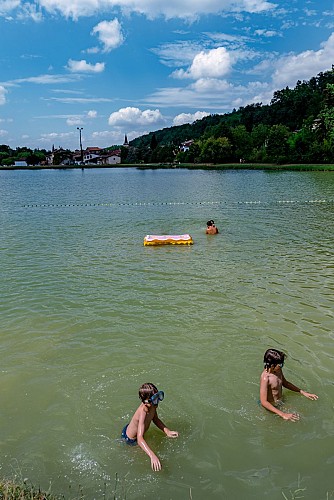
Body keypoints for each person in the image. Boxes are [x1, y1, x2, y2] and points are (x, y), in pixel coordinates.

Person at [121, 383, 178, 471]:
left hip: (134, 431)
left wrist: (167, 431)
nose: (158, 401)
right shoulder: (143, 411)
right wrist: (152, 455)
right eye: (155, 399)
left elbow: (155, 419)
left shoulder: (153, 406)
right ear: (146, 401)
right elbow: (140, 439)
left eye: (159, 396)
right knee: (141, 459)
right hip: (131, 439)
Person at [260, 348, 318, 421]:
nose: (282, 366)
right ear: (272, 365)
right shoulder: (265, 378)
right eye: (280, 365)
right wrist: (282, 414)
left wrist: (302, 392)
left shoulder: (278, 370)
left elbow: (285, 383)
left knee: (301, 417)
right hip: (270, 407)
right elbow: (264, 402)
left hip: (280, 402)